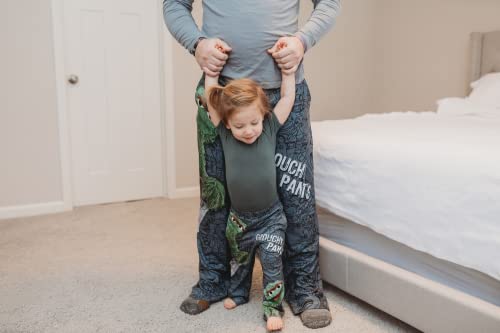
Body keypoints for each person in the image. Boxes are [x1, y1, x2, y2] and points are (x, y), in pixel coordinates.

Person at [163, 0, 341, 329]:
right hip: (221, 93)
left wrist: (302, 41)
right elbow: (174, 5)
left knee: (296, 191)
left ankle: (304, 287)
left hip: (284, 92)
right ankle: (214, 279)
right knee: (216, 193)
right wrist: (197, 43)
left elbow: (328, 4)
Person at [202, 44, 295, 331]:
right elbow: (210, 99)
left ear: (263, 116)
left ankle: (272, 308)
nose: (249, 130)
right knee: (239, 263)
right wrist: (210, 72)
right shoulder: (225, 135)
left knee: (271, 263)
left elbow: (288, 97)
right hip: (238, 219)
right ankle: (239, 293)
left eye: (254, 122)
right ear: (227, 124)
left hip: (271, 217)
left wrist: (287, 72)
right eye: (240, 125)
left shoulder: (268, 128)